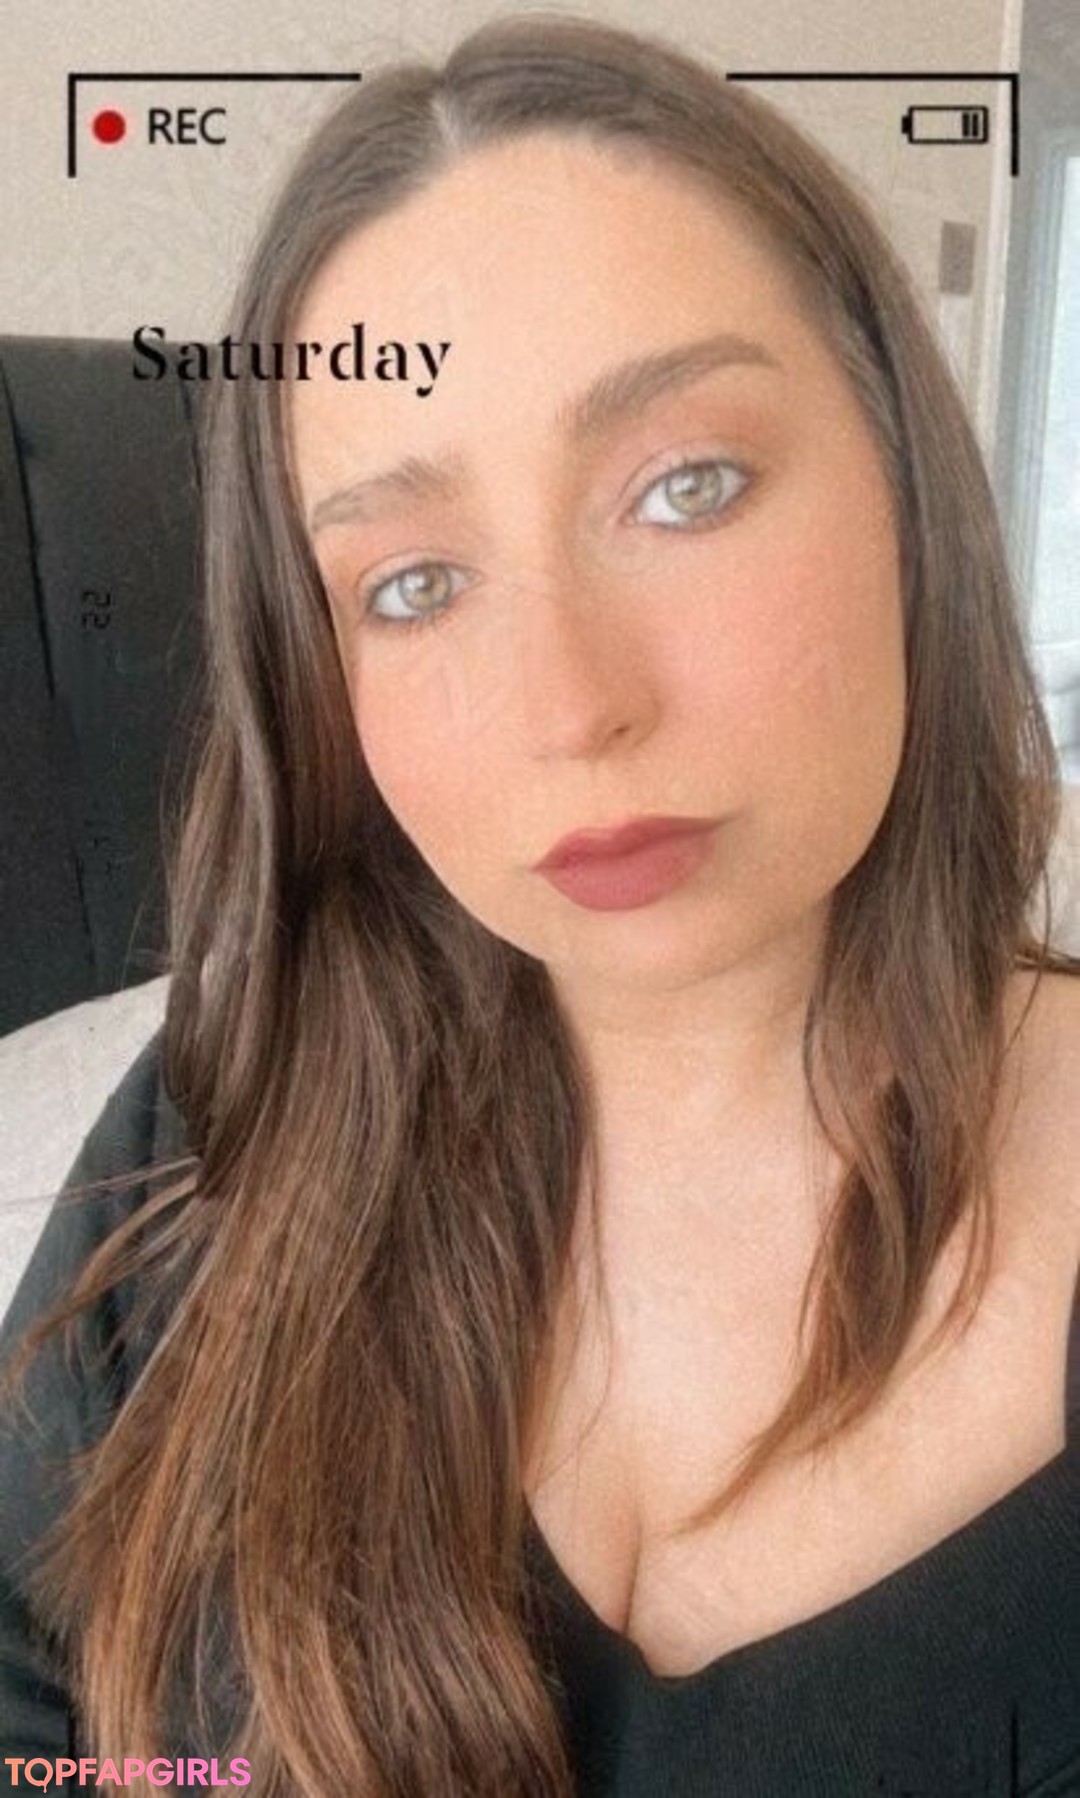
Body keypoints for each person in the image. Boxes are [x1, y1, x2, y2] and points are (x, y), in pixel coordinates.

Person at [2, 14, 1078, 1796]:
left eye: (686, 487)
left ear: (909, 484)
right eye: (415, 584)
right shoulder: (221, 1128)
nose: (571, 707)